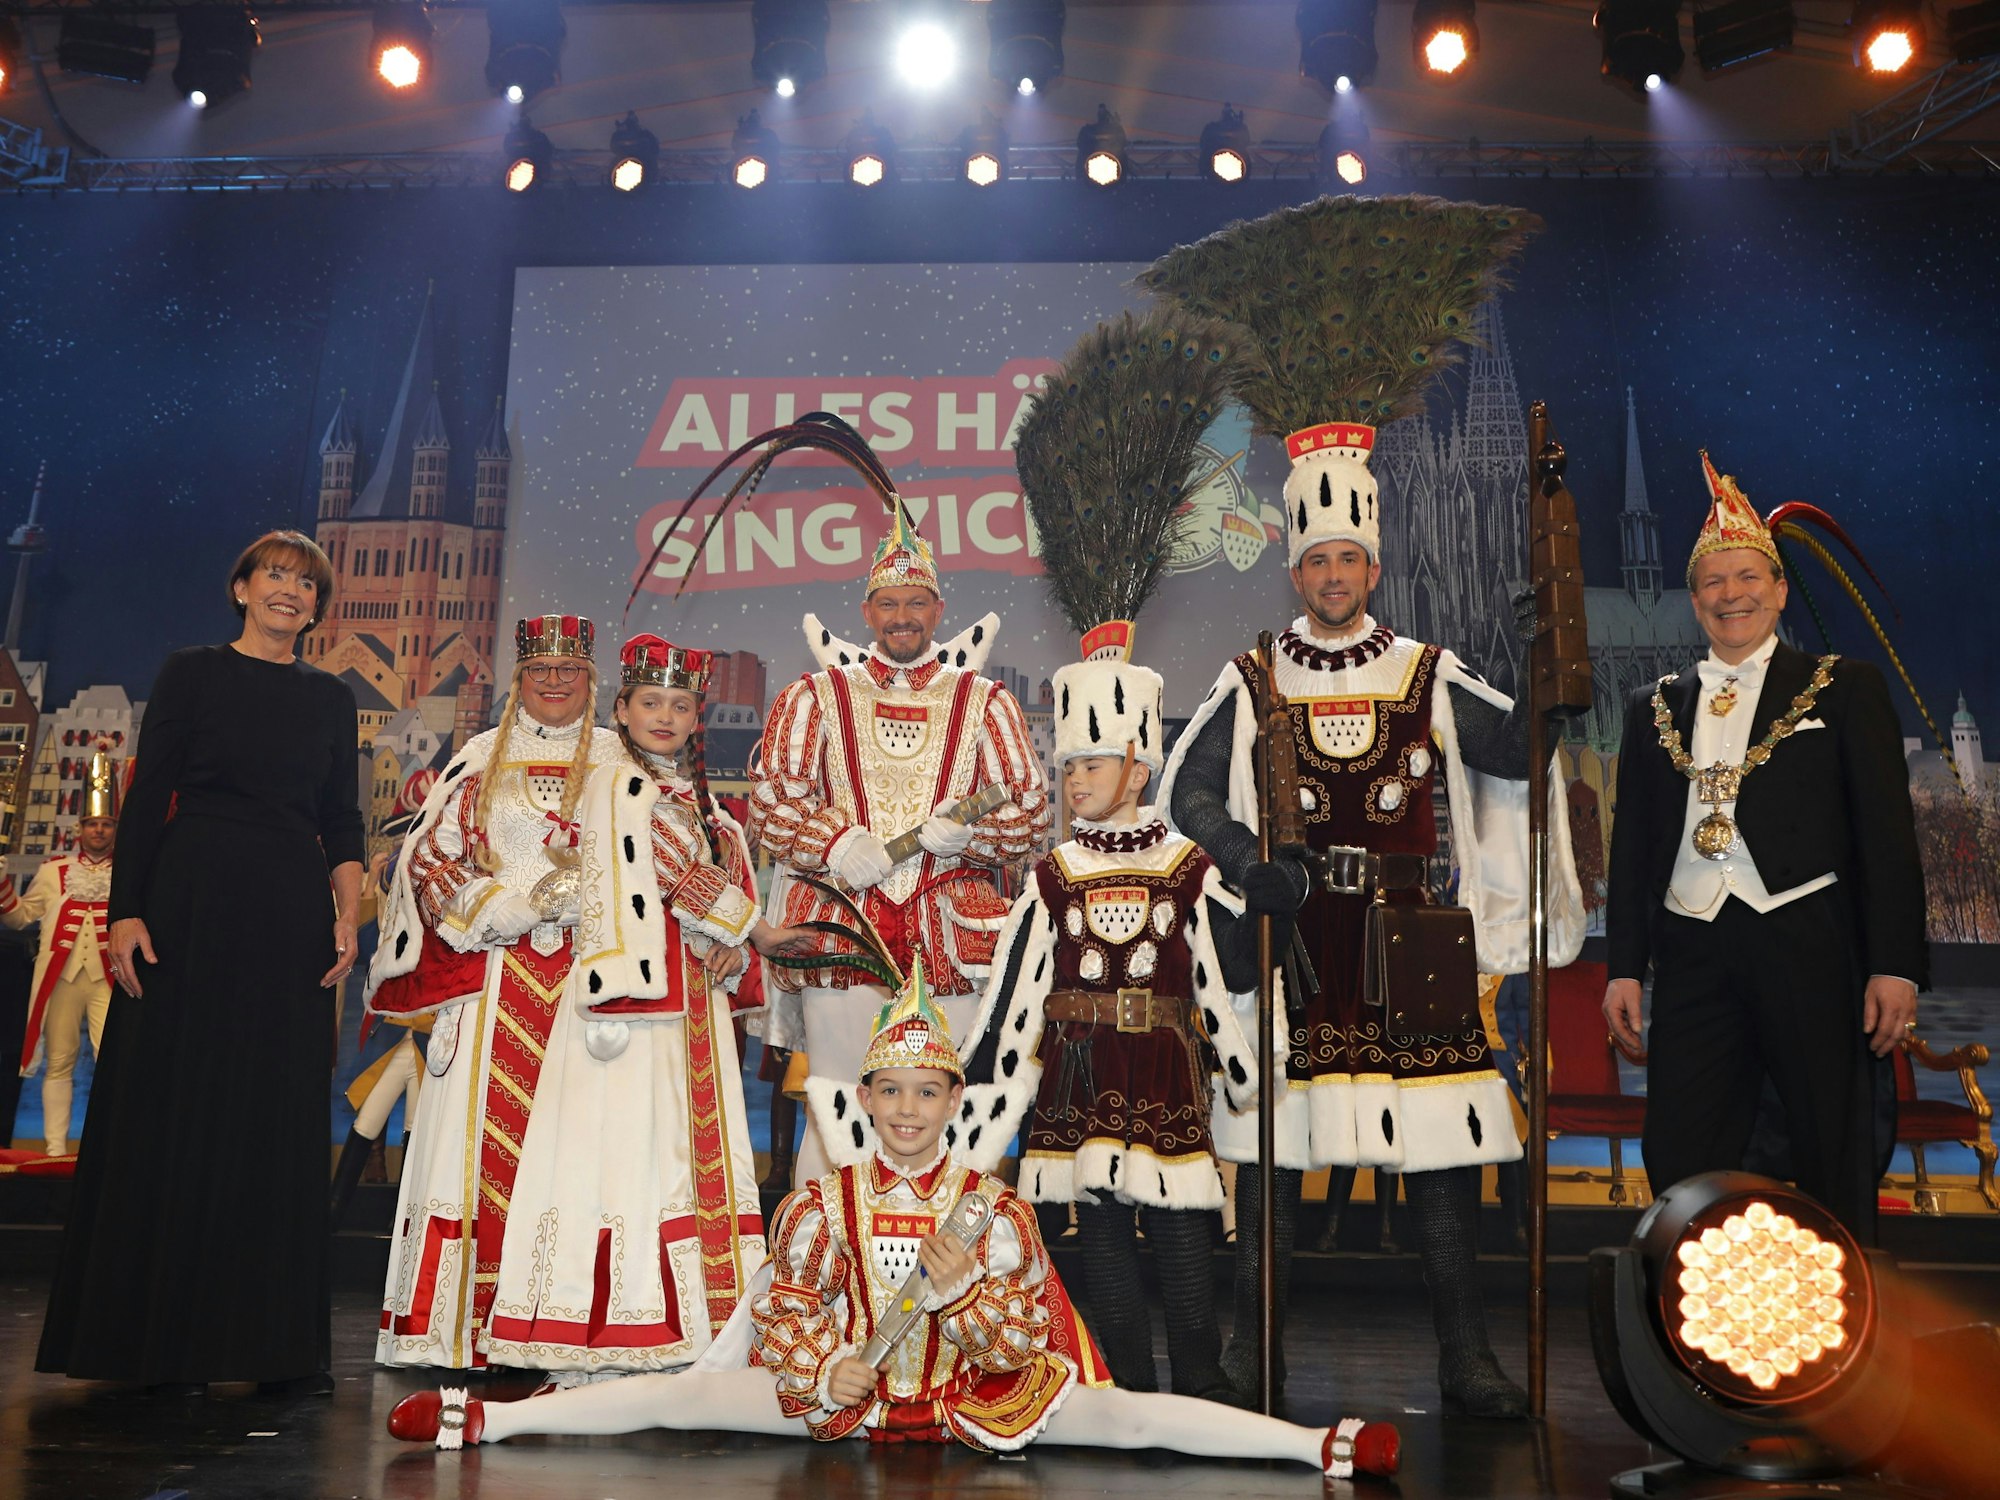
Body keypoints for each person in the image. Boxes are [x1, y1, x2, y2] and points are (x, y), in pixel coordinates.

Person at [383, 960, 1402, 1484]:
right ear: (863, 1101)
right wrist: (821, 1367)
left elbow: (1024, 1341)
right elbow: (783, 1307)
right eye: (891, 1093)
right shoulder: (821, 1205)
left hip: (973, 1399)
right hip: (851, 1400)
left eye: (927, 1092)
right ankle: (495, 1420)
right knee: (677, 1401)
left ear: (951, 1103)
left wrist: (962, 1295)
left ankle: (1315, 1444)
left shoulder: (992, 1210)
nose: (909, 1111)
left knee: (1131, 1422)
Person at [1161, 422, 1584, 1417]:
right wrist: (1248, 864)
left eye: (1349, 558)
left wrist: (1547, 663)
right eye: (1318, 559)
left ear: (1370, 565)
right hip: (1295, 943)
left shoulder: (1428, 670)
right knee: (1269, 1159)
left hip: (1408, 937)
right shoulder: (1254, 671)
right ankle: (1250, 1354)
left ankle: (1464, 1359)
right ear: (1295, 568)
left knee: (1437, 1157)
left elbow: (1516, 753)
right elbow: (1187, 796)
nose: (1334, 574)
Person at [39, 531, 363, 1392]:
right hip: (189, 900)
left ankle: (269, 1346)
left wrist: (349, 912)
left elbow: (343, 819)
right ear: (241, 588)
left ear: (318, 607)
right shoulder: (192, 672)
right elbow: (149, 796)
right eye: (277, 577)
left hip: (289, 911)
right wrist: (127, 910)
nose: (290, 592)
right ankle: (153, 1339)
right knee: (172, 1097)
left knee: (273, 1108)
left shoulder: (332, 699)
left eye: (306, 584)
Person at [1602, 453, 1924, 1245]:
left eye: (1748, 577)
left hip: (1806, 944)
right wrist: (1621, 966)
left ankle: (1837, 1331)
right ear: (1694, 599)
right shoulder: (1652, 709)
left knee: (1828, 1143)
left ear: (1779, 590)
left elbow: (1887, 839)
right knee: (1681, 1147)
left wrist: (1896, 963)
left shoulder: (1843, 688)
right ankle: (1690, 1326)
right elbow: (1635, 851)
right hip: (1692, 952)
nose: (1730, 594)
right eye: (1713, 581)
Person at [952, 627, 1260, 1403]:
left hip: (1161, 1068)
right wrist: (998, 1078)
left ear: (1138, 765)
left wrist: (1239, 1061)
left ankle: (1198, 1379)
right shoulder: (1054, 873)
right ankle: (1126, 1382)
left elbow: (1213, 980)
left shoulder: (1185, 868)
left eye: (1090, 763)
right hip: (1078, 1072)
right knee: (1102, 1242)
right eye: (1068, 768)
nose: (1075, 780)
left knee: (1184, 1233)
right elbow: (1020, 995)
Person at [480, 632, 801, 1373]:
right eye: (649, 702)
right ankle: (610, 1318)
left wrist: (732, 945)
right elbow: (669, 870)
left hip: (689, 1001)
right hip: (624, 1006)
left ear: (697, 719)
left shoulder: (709, 809)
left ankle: (693, 1321)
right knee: (621, 1147)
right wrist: (758, 930)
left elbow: (721, 882)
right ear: (620, 710)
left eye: (679, 705)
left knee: (680, 1153)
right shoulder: (613, 787)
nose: (664, 715)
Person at [750, 503, 1048, 1183]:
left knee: (953, 1112)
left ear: (939, 609)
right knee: (840, 1106)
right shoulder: (814, 696)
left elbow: (1029, 809)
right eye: (890, 603)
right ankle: (825, 1269)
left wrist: (969, 836)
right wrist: (835, 842)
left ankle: (946, 1281)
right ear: (867, 610)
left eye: (917, 602)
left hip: (953, 936)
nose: (903, 616)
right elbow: (769, 799)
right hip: (844, 933)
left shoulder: (986, 702)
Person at [365, 612, 622, 1372]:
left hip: (583, 983)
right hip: (492, 978)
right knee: (477, 1143)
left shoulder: (619, 758)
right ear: (520, 678)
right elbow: (426, 855)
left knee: (578, 1149)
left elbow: (662, 851)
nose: (553, 682)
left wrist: (595, 895)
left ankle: (562, 1321)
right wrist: (483, 903)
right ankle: (465, 1327)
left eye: (567, 671)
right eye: (539, 670)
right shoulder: (478, 758)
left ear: (589, 678)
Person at [0, 746, 121, 1158]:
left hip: (110, 979)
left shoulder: (129, 872)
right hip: (62, 980)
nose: (99, 831)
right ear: (79, 829)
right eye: (93, 824)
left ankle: (107, 1148)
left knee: (113, 1066)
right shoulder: (53, 871)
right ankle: (54, 1149)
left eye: (106, 824)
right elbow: (20, 919)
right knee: (59, 1063)